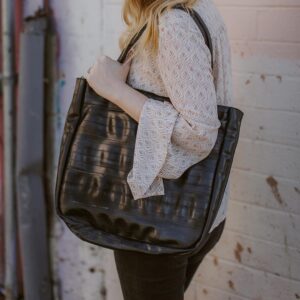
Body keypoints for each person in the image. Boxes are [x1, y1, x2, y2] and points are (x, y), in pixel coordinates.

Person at [86, 0, 232, 299]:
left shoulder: (173, 24)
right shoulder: (197, 8)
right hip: (194, 209)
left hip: (156, 217)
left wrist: (115, 90)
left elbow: (200, 133)